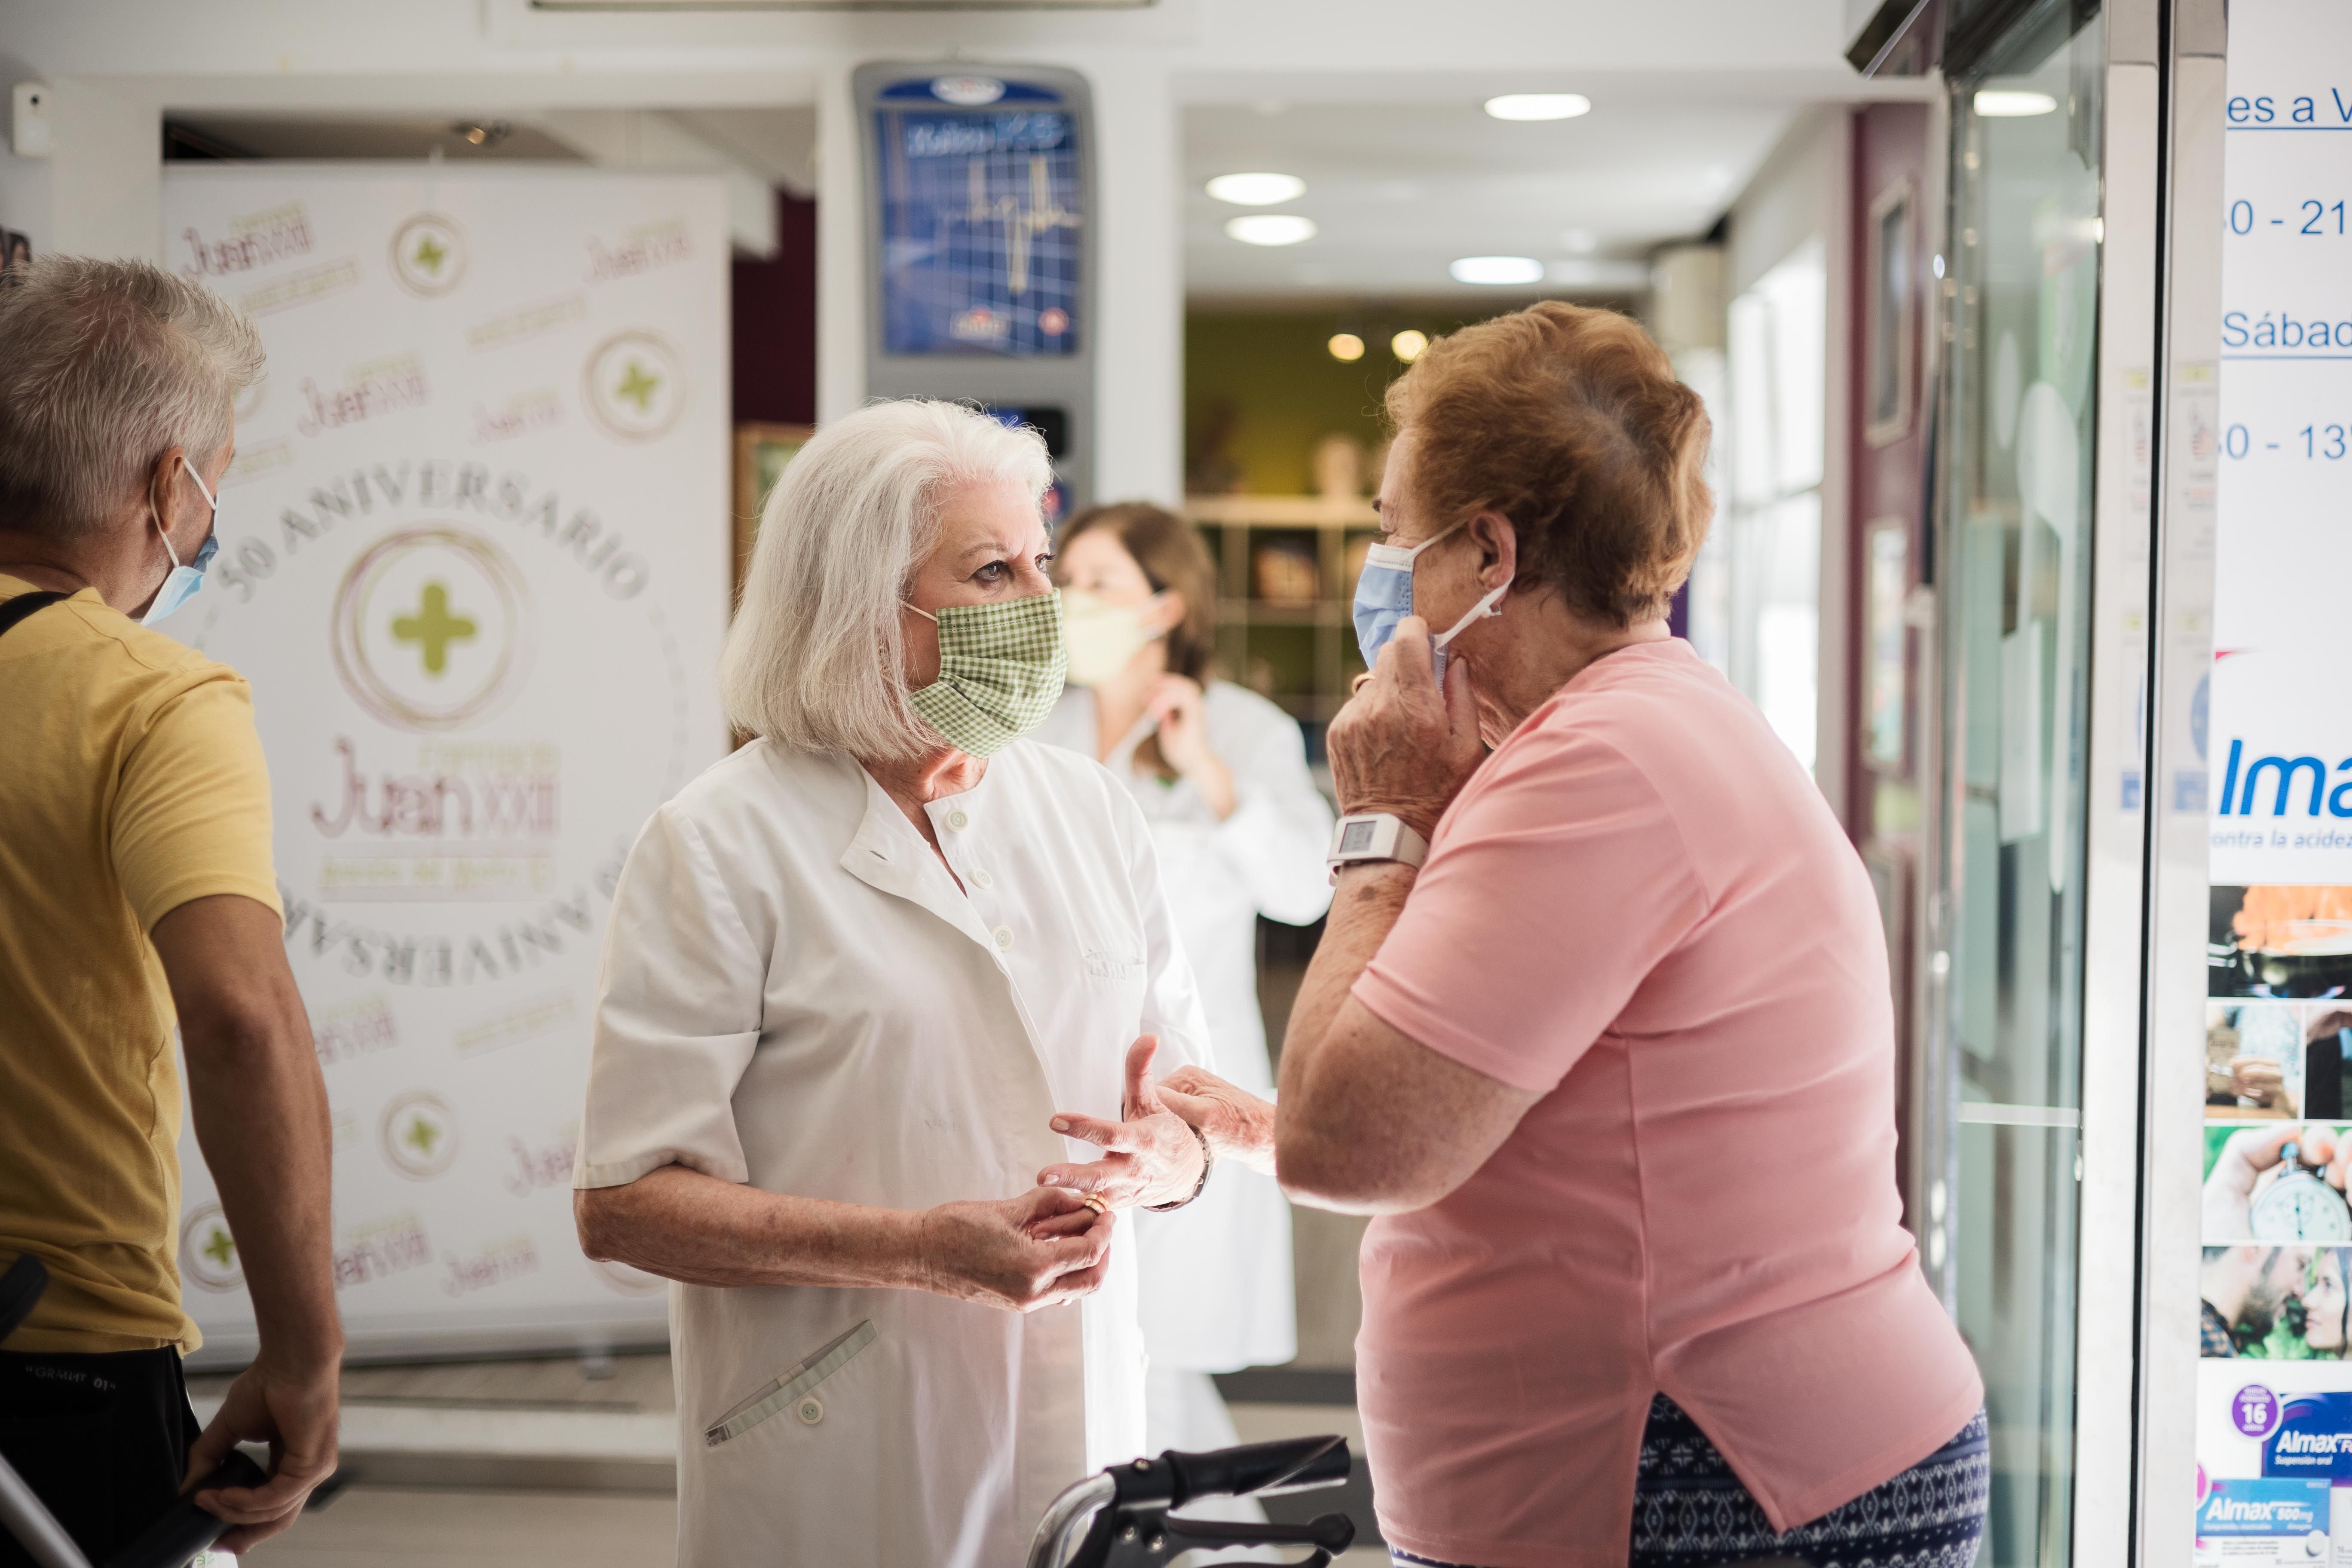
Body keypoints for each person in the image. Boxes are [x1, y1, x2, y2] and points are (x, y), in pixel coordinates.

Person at [1116, 302, 1988, 1568]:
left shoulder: (1604, 762)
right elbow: (1521, 1106)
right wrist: (1256, 1129)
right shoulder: (1614, 730)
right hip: (1686, 1464)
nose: (1380, 573)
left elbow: (1353, 1147)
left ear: (1487, 554)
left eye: (1388, 536)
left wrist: (1384, 821)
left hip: (1718, 1476)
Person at [570, 399, 1217, 1568]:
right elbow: (623, 1200)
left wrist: (1174, 1160)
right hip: (838, 1435)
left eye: (1040, 563)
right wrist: (919, 1250)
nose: (1039, 604)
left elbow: (1181, 1092)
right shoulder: (721, 843)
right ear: (863, 607)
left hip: (1082, 1423)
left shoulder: (1086, 811)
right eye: (990, 571)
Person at [0, 257, 340, 1559]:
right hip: (56, 1346)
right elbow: (243, 1017)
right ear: (164, 484)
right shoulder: (149, 697)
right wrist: (305, 1353)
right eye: (218, 477)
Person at [1034, 503, 1331, 1459]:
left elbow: (1298, 891)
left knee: (1156, 1360)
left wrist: (1206, 768)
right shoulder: (1040, 725)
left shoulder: (1239, 729)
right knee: (1088, 1349)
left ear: (1165, 609)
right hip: (1059, 1074)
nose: (1070, 600)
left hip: (1191, 1086)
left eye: (1099, 583)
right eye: (1065, 576)